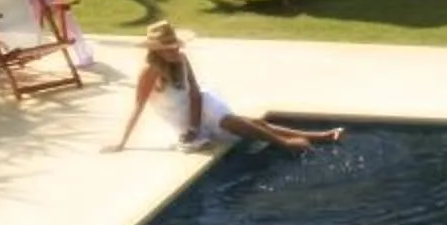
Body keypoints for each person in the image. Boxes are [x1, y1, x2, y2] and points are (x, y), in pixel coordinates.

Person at [108, 22, 343, 153]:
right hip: (181, 120)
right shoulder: (149, 71)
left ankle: (308, 139)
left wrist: (195, 125)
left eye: (175, 46)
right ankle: (301, 141)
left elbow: (196, 94)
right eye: (168, 48)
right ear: (156, 50)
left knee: (241, 122)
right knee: (245, 124)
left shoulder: (182, 60)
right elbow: (138, 107)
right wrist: (122, 142)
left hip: (200, 107)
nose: (175, 51)